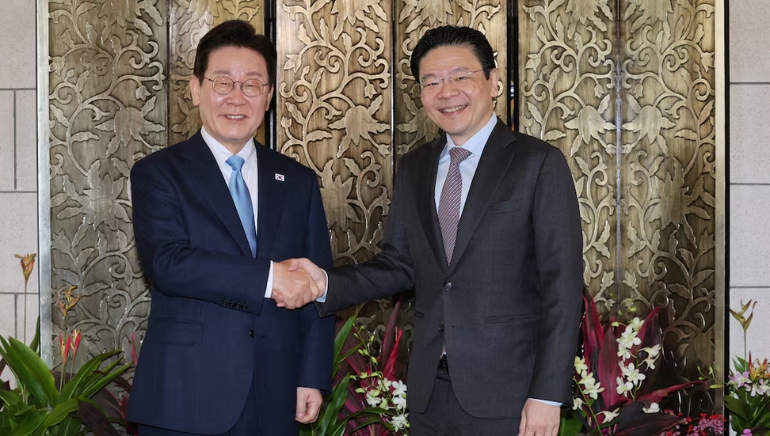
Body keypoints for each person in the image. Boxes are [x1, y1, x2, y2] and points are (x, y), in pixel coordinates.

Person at [274, 25, 584, 436]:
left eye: (460, 76)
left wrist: (547, 395)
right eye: (432, 81)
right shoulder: (416, 166)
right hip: (428, 395)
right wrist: (323, 283)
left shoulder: (538, 163)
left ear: (493, 82)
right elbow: (399, 265)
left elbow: (562, 286)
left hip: (511, 395)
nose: (446, 92)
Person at [127, 20, 333, 436]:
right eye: (223, 83)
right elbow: (168, 263)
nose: (237, 98)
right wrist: (270, 277)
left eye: (252, 85)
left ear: (268, 96)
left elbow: (315, 281)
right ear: (195, 89)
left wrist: (311, 375)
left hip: (276, 392)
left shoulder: (297, 180)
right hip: (186, 394)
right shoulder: (158, 173)